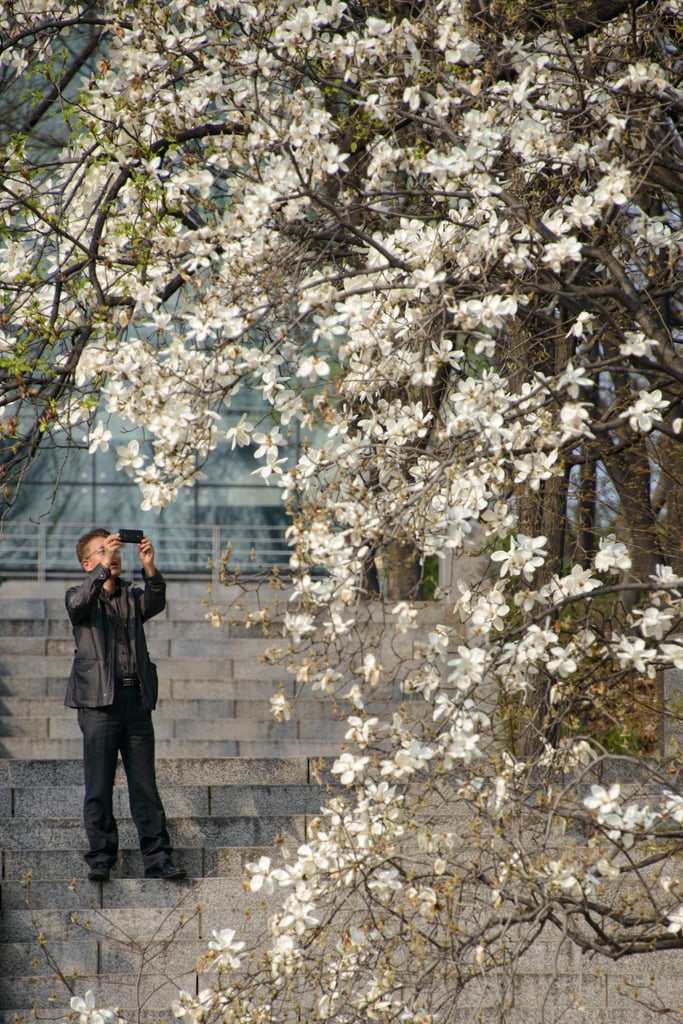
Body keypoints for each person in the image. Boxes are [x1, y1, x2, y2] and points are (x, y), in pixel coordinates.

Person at [65, 528, 186, 882]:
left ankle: (158, 857)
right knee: (99, 786)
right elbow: (78, 607)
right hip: (98, 705)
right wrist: (102, 571)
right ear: (88, 563)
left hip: (135, 701)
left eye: (114, 551)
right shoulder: (79, 595)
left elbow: (157, 600)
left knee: (145, 786)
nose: (112, 556)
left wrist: (149, 568)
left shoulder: (132, 597)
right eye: (102, 551)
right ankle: (101, 858)